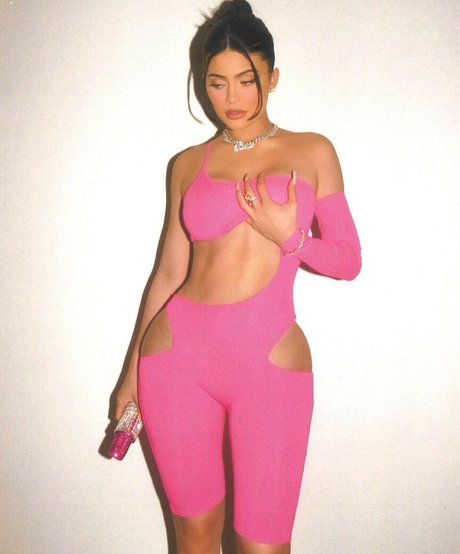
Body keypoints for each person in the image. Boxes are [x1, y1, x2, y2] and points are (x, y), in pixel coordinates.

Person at [114, 1, 361, 552]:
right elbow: (169, 272)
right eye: (216, 82)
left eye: (247, 81)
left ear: (273, 77)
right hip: (175, 359)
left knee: (263, 544)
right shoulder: (186, 164)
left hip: (270, 364)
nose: (231, 98)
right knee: (194, 534)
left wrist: (291, 238)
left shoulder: (312, 150)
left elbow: (348, 260)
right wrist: (130, 373)